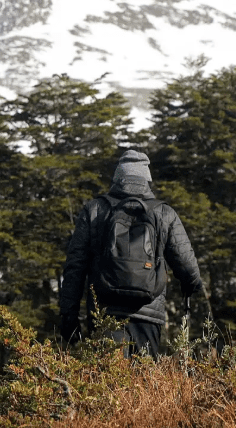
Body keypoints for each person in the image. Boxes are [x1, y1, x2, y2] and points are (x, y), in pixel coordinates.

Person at [59, 150, 202, 357]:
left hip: (105, 314)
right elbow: (189, 269)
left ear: (117, 177)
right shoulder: (164, 213)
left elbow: (74, 268)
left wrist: (68, 316)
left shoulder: (95, 209)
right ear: (147, 179)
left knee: (107, 383)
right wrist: (192, 286)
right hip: (148, 315)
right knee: (142, 383)